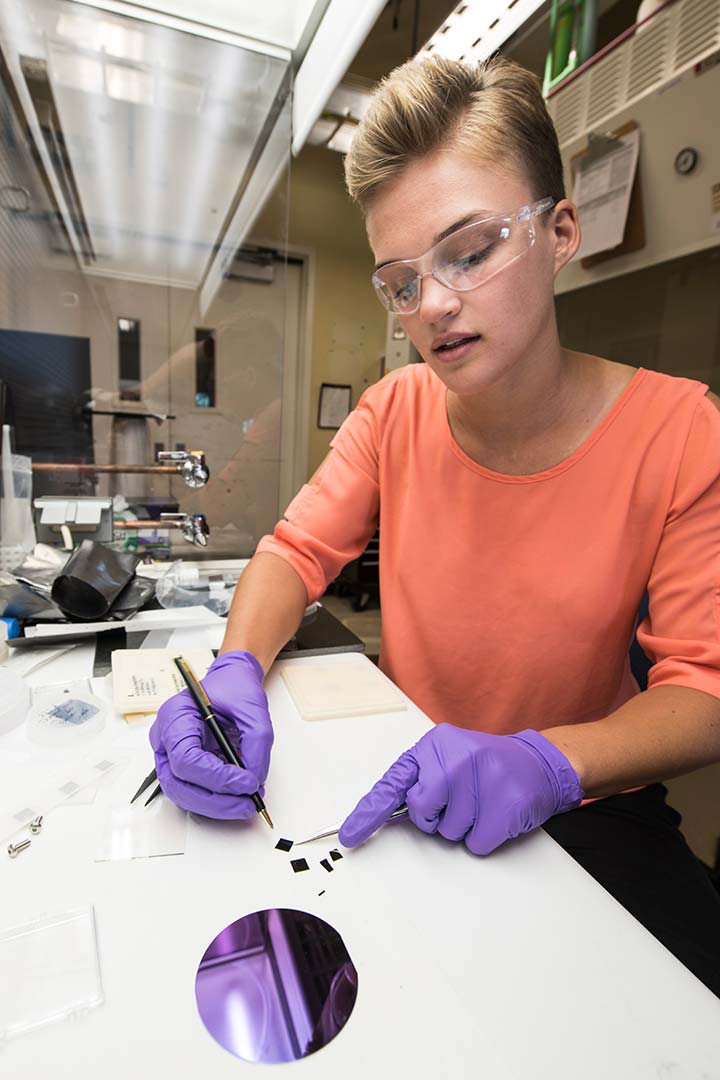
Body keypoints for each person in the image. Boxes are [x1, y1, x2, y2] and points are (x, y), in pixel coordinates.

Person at [150, 56, 720, 996]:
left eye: (470, 251)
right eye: (400, 281)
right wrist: (234, 670)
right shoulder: (392, 411)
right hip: (407, 781)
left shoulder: (681, 429)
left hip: (584, 801)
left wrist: (547, 761)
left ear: (560, 230)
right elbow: (293, 554)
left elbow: (702, 692)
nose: (435, 306)